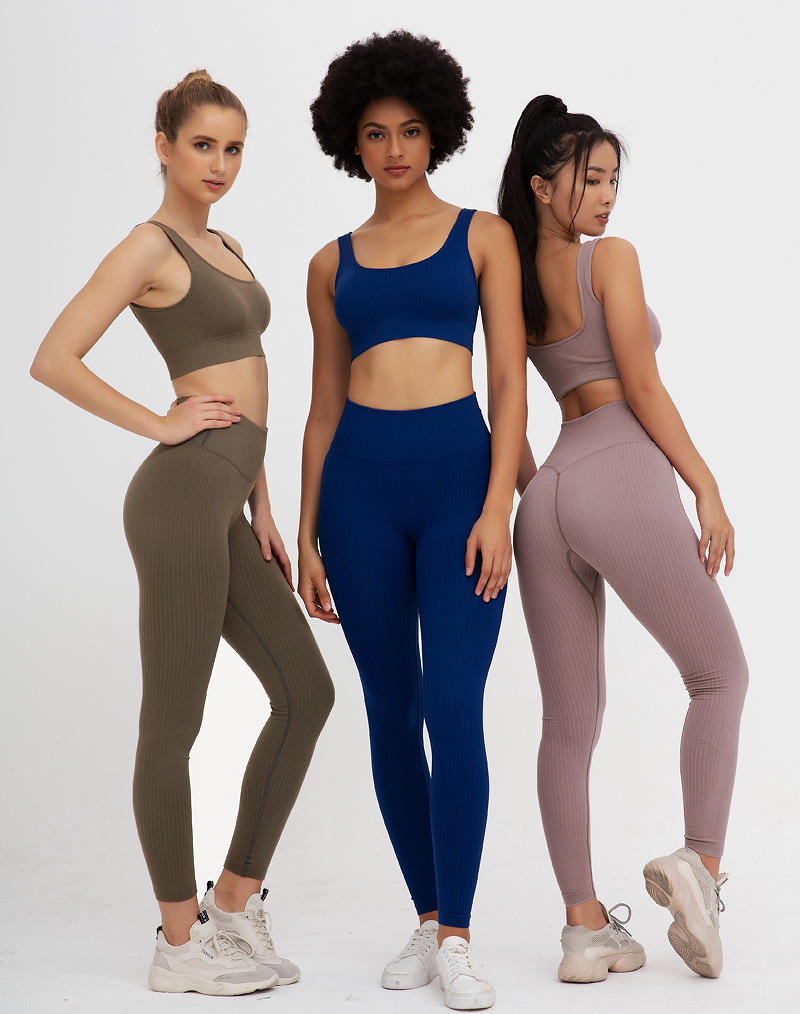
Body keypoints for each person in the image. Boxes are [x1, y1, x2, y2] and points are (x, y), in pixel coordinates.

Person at [30, 70, 334, 996]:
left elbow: (252, 380)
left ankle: (232, 905)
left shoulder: (226, 243)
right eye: (202, 145)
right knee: (175, 721)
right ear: (163, 147)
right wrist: (160, 422)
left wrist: (263, 506)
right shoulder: (148, 245)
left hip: (227, 496)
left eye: (234, 148)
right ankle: (177, 943)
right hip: (177, 495)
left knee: (307, 692)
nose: (220, 164)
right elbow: (53, 358)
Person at [498, 95, 748, 984]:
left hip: (547, 495)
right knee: (719, 676)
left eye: (612, 180)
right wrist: (704, 484)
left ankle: (583, 929)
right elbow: (641, 385)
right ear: (542, 185)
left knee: (568, 726)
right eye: (590, 179)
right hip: (622, 468)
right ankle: (701, 868)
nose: (607, 196)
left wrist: (540, 494)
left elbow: (503, 406)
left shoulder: (506, 278)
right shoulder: (610, 259)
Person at [300, 31, 527, 1011]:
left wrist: (497, 507)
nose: (394, 149)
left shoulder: (484, 237)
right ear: (350, 143)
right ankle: (430, 917)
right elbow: (320, 408)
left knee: (452, 705)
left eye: (409, 130)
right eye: (374, 133)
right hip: (357, 492)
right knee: (390, 711)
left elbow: (510, 385)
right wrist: (307, 532)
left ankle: (461, 938)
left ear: (437, 133)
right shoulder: (329, 262)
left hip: (457, 486)